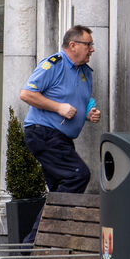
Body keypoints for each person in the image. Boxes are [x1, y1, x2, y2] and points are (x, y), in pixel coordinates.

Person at [19, 25, 101, 202]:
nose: (92, 49)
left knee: (59, 190)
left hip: (61, 139)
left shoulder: (85, 71)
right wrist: (58, 107)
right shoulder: (54, 64)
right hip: (43, 133)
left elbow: (84, 98)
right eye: (88, 44)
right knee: (77, 175)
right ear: (73, 45)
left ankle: (43, 229)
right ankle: (49, 227)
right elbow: (27, 94)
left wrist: (89, 112)